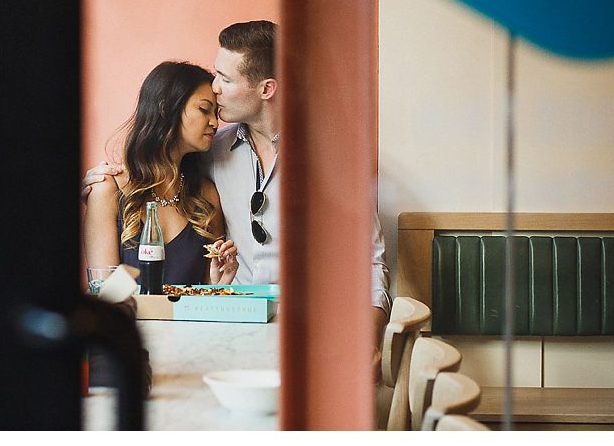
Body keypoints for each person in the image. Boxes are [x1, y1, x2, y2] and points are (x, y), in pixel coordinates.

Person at [82, 21, 390, 380]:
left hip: (311, 334)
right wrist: (103, 183)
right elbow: (111, 290)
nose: (215, 90)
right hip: (226, 338)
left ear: (266, 88)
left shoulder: (331, 158)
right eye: (205, 103)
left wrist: (367, 339)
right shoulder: (212, 151)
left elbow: (370, 262)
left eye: (224, 80)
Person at [83, 60, 238, 286]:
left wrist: (218, 284)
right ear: (166, 109)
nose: (214, 122)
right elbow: (105, 296)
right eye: (204, 109)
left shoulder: (206, 195)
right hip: (130, 322)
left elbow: (206, 299)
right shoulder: (107, 190)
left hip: (193, 323)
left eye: (216, 113)